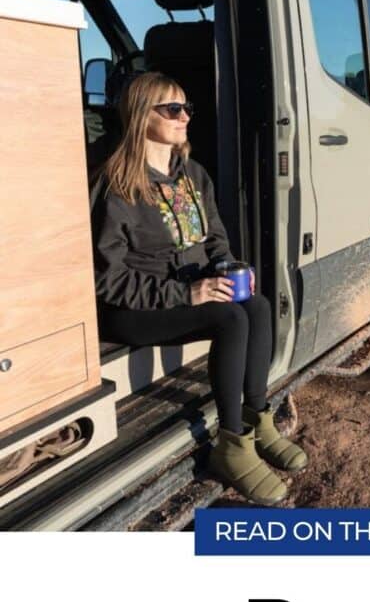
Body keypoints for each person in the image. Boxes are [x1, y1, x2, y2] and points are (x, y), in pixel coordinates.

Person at [91, 71, 306, 506]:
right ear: (140, 114)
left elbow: (215, 237)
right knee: (227, 317)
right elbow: (106, 279)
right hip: (133, 307)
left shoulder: (192, 175)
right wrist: (184, 295)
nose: (185, 116)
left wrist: (228, 268)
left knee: (258, 306)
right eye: (173, 109)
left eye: (188, 107)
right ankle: (230, 444)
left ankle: (257, 418)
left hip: (189, 289)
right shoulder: (116, 186)